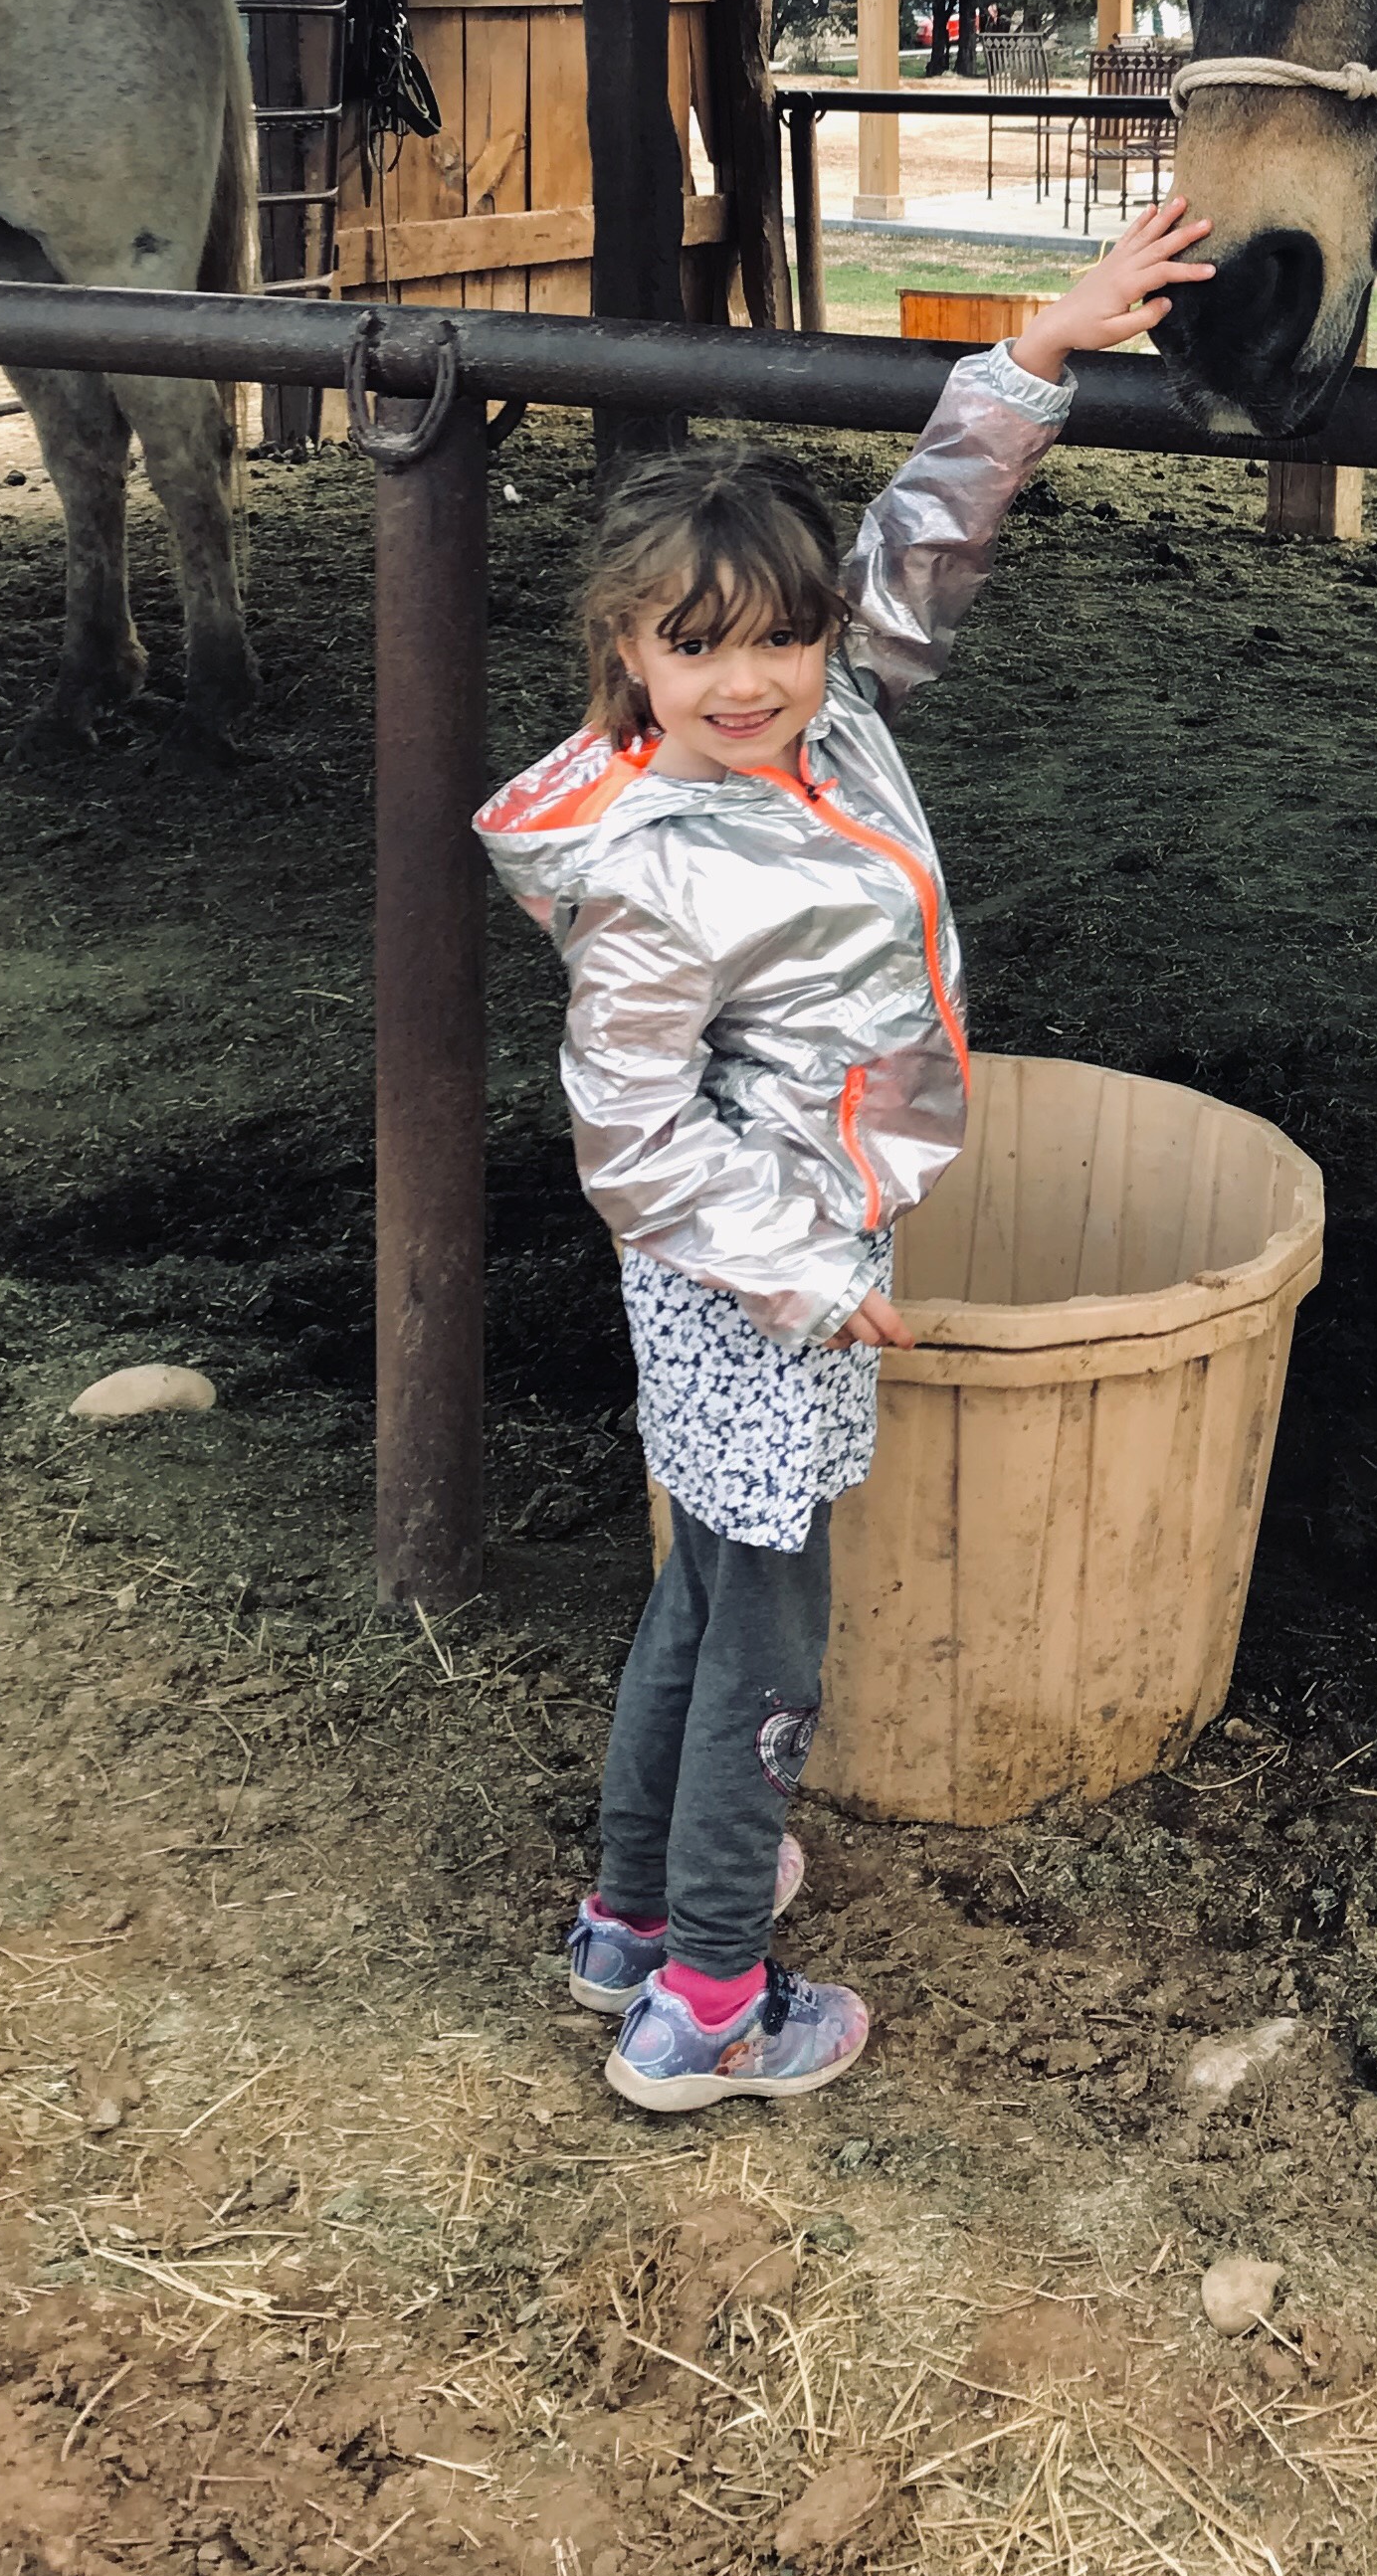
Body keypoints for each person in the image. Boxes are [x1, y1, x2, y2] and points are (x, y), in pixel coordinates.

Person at [475, 199, 1213, 2114]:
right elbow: (631, 1133)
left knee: (705, 1591)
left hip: (789, 1234)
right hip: (759, 1270)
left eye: (784, 643)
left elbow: (918, 546)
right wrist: (810, 1277)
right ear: (625, 654)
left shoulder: (835, 718)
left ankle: (628, 1912)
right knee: (768, 1647)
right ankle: (716, 1996)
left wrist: (1035, 357)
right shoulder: (655, 871)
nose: (755, 683)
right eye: (699, 652)